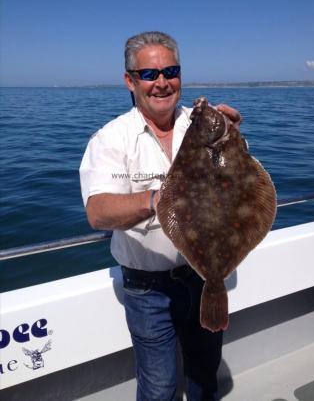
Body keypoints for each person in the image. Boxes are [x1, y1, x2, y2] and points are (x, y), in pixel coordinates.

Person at [79, 31, 242, 401]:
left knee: (205, 375)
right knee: (159, 388)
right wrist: (159, 198)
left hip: (204, 278)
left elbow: (236, 181)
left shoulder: (203, 124)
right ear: (130, 81)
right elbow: (98, 212)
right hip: (148, 288)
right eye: (150, 74)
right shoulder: (110, 139)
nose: (162, 82)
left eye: (171, 71)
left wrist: (231, 135)